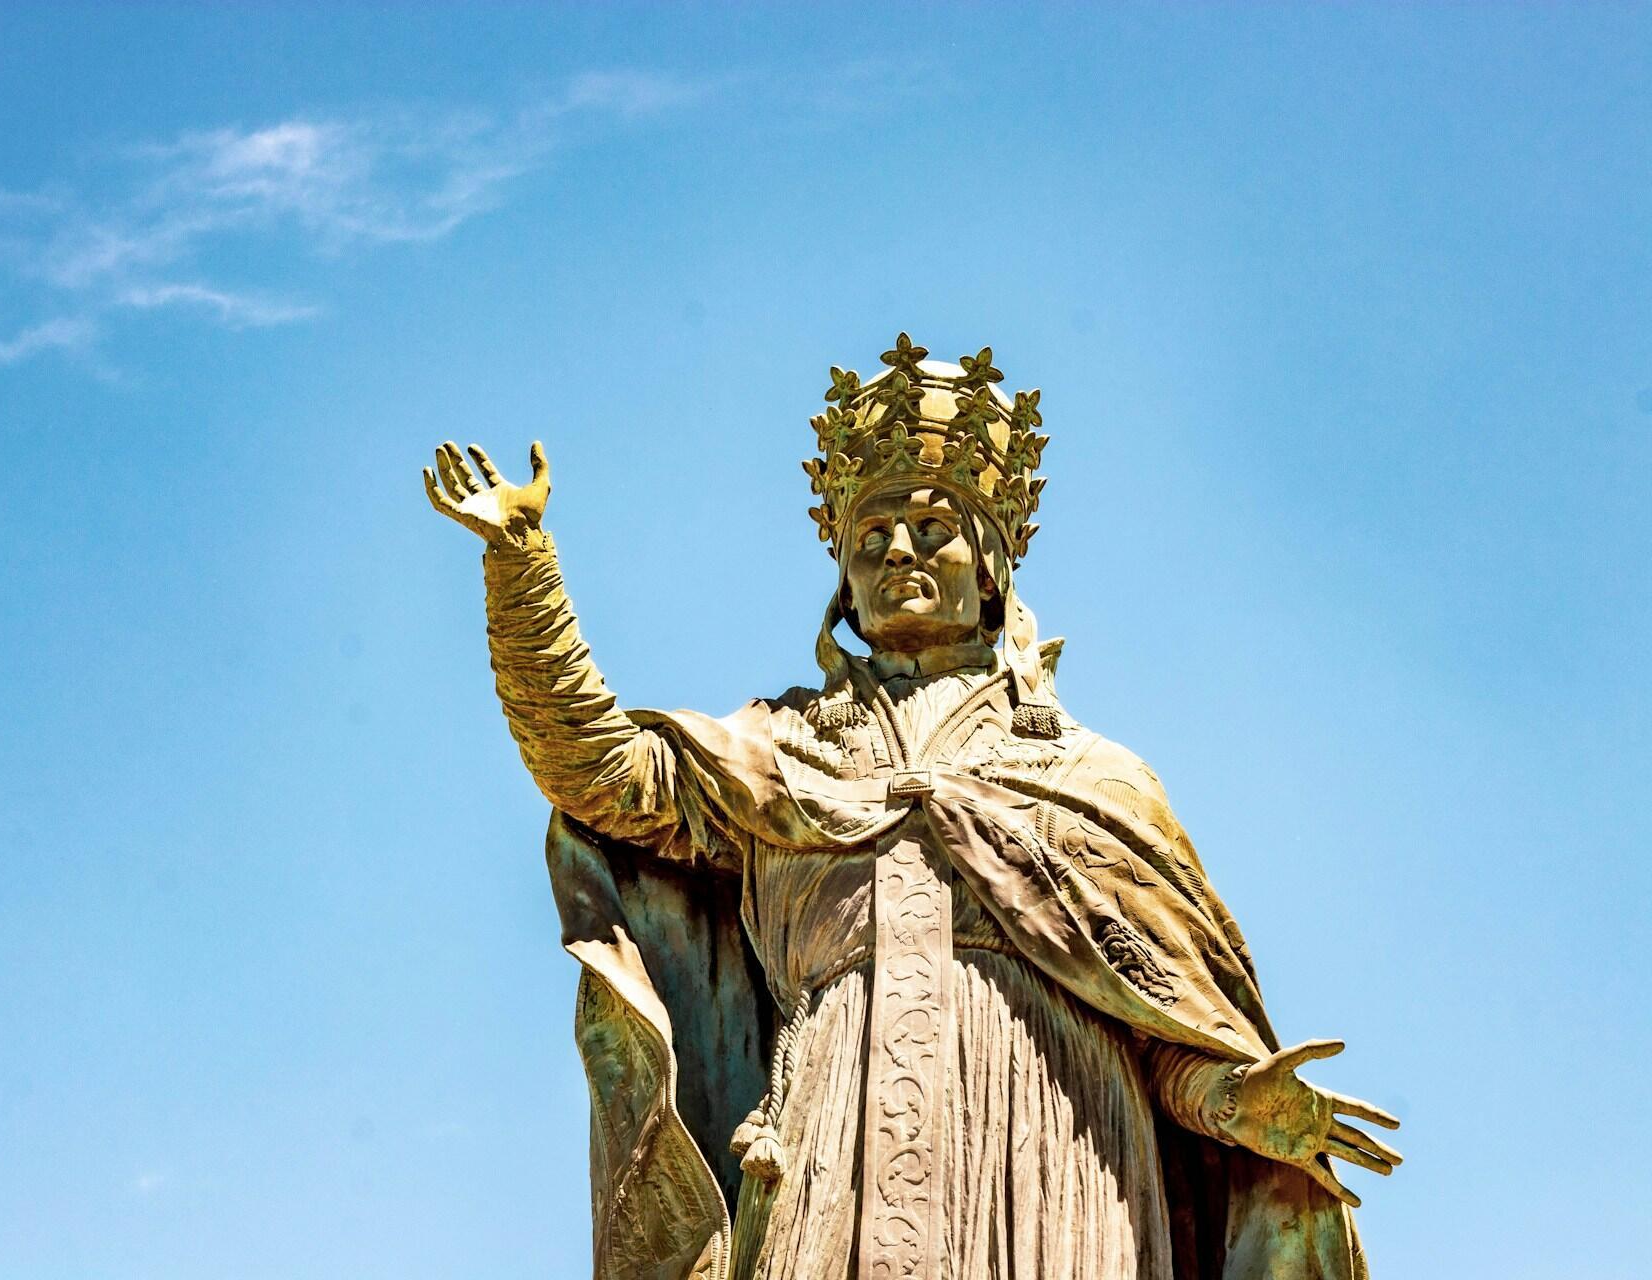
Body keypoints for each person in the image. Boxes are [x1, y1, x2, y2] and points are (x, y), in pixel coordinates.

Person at [424, 335, 1401, 1280]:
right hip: (831, 1133)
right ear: (845, 574)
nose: (898, 548)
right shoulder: (778, 747)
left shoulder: (1096, 774)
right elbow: (599, 769)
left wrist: (1235, 1097)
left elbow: (1161, 1032)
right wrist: (523, 571)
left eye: (932, 526)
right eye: (870, 534)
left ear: (991, 565)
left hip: (1058, 1148)